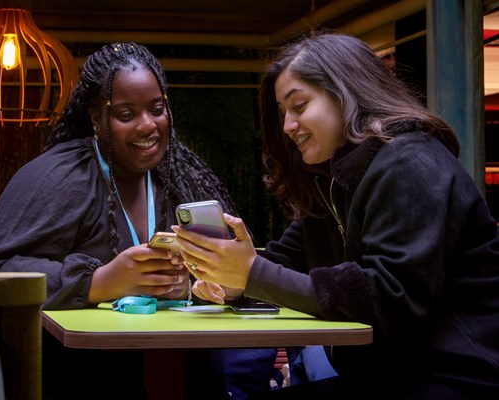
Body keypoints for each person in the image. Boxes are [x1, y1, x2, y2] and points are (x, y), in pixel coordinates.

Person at [172, 32, 499, 399]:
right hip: (386, 376)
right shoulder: (332, 181)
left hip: (458, 375)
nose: (287, 126)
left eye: (298, 105)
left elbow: (389, 298)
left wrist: (251, 273)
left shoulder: (411, 161)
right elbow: (284, 263)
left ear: (346, 93)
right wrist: (231, 282)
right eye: (283, 113)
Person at [0, 42, 249, 399]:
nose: (148, 125)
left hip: (180, 374)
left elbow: (236, 276)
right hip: (72, 381)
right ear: (95, 117)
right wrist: (99, 282)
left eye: (157, 109)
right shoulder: (60, 176)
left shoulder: (184, 179)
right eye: (126, 114)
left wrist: (210, 284)